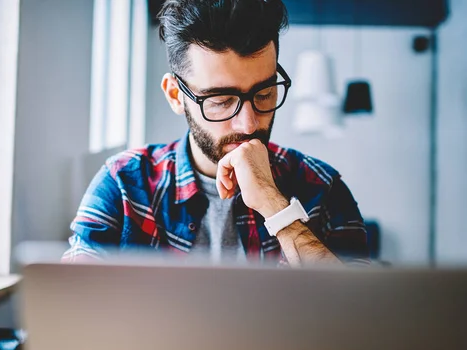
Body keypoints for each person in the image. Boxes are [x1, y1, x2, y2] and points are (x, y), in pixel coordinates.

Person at [63, 0, 369, 266]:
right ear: (174, 95)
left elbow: (363, 318)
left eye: (264, 94)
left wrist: (275, 207)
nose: (248, 125)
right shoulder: (124, 183)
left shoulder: (321, 187)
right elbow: (68, 311)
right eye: (221, 101)